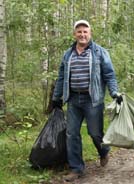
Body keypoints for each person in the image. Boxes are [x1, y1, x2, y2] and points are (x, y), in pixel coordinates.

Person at [51, 19, 122, 182]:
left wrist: (114, 92)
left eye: (85, 31)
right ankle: (76, 168)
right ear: (74, 34)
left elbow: (109, 75)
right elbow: (61, 77)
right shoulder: (67, 54)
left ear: (90, 34)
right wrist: (56, 98)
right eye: (79, 31)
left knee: (95, 133)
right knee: (71, 134)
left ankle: (103, 152)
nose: (82, 35)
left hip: (93, 99)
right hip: (73, 99)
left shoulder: (99, 52)